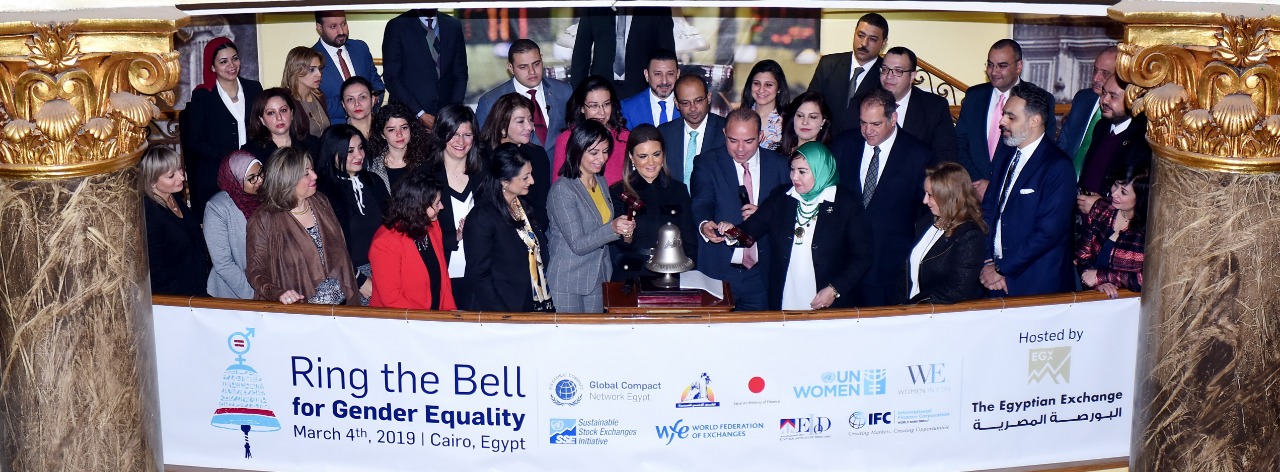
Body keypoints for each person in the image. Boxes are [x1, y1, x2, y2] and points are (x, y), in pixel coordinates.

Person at [712, 142, 873, 310]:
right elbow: (751, 231)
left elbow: (863, 256)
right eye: (792, 169)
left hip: (828, 297)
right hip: (786, 292)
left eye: (802, 171)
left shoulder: (847, 204)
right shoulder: (782, 196)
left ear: (821, 171)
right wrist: (732, 231)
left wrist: (835, 289)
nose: (794, 177)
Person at [834, 89, 936, 306]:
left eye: (875, 124)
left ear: (893, 118)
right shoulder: (844, 144)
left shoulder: (918, 154)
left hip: (889, 267)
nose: (867, 131)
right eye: (863, 123)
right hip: (843, 265)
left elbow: (924, 212)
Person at [979, 82, 1075, 297]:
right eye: (1004, 115)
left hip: (1036, 284)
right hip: (994, 280)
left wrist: (1002, 269)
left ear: (1034, 121)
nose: (1002, 122)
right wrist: (988, 261)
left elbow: (1048, 233)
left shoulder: (1058, 166)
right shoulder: (1005, 153)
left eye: (1011, 117)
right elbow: (987, 211)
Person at [690, 108, 790, 311]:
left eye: (749, 141)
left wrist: (766, 216)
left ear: (760, 136)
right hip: (720, 272)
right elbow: (702, 201)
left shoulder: (781, 166)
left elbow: (791, 214)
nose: (740, 149)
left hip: (763, 274)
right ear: (724, 134)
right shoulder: (707, 163)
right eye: (733, 140)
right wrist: (704, 223)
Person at [246, 146, 359, 305]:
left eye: (312, 169)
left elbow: (342, 255)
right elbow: (256, 270)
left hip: (338, 308)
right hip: (298, 309)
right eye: (306, 173)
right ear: (287, 180)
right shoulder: (264, 219)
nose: (315, 176)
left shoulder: (320, 201)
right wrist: (278, 293)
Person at [545, 121, 637, 313]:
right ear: (578, 150)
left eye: (605, 151)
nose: (601, 158)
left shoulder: (600, 180)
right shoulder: (562, 190)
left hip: (598, 276)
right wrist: (613, 228)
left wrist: (624, 228)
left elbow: (602, 228)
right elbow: (578, 244)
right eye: (594, 152)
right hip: (568, 280)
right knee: (571, 333)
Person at [955, 39, 1057, 198]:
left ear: (1019, 66)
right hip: (973, 191)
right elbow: (960, 142)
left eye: (1002, 66)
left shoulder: (1040, 100)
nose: (994, 72)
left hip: (1014, 193)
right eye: (990, 65)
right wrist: (976, 181)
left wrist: (995, 187)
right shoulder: (974, 96)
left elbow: (1040, 152)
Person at [180, 37, 263, 220]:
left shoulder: (254, 88)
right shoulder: (203, 96)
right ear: (212, 67)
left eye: (235, 58)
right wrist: (231, 158)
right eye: (223, 61)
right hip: (216, 172)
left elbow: (262, 127)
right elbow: (195, 141)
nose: (231, 65)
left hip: (254, 169)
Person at [463, 143, 552, 312]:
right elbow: (480, 275)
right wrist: (503, 316)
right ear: (504, 181)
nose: (532, 181)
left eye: (531, 175)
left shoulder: (523, 207)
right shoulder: (482, 217)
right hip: (501, 309)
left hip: (532, 302)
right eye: (525, 177)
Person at [608, 124, 697, 281]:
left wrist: (689, 276)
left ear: (663, 154)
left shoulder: (679, 190)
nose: (651, 162)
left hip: (672, 273)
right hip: (631, 276)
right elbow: (621, 244)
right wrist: (627, 233)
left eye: (656, 154)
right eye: (643, 156)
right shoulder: (618, 191)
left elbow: (690, 243)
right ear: (631, 157)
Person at [316, 124, 390, 306]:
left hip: (384, 267)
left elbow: (392, 226)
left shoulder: (374, 181)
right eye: (350, 151)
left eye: (360, 148)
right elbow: (325, 247)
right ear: (332, 153)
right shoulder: (322, 192)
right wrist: (358, 279)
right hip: (347, 275)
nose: (359, 155)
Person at [368, 171, 457, 310]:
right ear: (418, 207)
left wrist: (449, 314)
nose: (441, 207)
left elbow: (443, 280)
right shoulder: (385, 243)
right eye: (437, 203)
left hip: (434, 316)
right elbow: (391, 300)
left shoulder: (432, 226)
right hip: (403, 320)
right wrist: (425, 320)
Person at [425, 105, 484, 310]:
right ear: (441, 134)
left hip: (482, 275)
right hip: (441, 275)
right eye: (454, 134)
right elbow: (418, 234)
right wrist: (455, 236)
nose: (461, 142)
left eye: (467, 135)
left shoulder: (485, 174)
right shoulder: (424, 177)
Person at [906, 162, 988, 304]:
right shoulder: (926, 221)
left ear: (948, 197)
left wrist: (915, 305)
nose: (925, 201)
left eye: (930, 195)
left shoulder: (969, 236)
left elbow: (958, 290)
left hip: (938, 312)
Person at [476, 39, 575, 155]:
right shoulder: (490, 102)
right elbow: (481, 149)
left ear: (542, 59)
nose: (532, 72)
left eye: (536, 64)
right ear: (511, 68)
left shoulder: (564, 91)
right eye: (523, 67)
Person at [141, 147, 210, 297]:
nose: (182, 177)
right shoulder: (150, 215)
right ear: (152, 182)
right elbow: (155, 272)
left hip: (197, 289)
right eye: (171, 175)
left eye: (179, 169)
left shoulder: (174, 197)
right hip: (178, 298)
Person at [382, 9, 467, 130]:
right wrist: (420, 114)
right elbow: (392, 77)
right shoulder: (397, 25)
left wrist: (452, 112)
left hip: (445, 120)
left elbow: (460, 73)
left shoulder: (453, 25)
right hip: (408, 118)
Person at [808, 13, 888, 135]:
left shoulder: (887, 74)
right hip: (824, 140)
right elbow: (810, 104)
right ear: (854, 32)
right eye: (860, 35)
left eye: (872, 39)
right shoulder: (828, 64)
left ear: (883, 43)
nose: (864, 43)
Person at [1073, 73, 1151, 198]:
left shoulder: (1143, 138)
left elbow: (1138, 197)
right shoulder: (1101, 126)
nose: (1104, 100)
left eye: (1113, 96)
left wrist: (1099, 205)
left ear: (1133, 101)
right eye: (1104, 93)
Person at [570, 6, 676, 97]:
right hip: (600, 91)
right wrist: (579, 94)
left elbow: (667, 53)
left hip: (640, 90)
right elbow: (581, 52)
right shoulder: (595, 5)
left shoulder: (656, 6)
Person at [478, 93, 552, 224]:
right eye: (520, 121)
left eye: (530, 120)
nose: (529, 127)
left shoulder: (537, 154)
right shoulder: (482, 156)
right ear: (502, 126)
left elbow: (541, 205)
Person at [878, 46, 958, 164]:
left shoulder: (934, 107)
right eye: (885, 69)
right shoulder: (866, 102)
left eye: (898, 71)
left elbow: (945, 155)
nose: (889, 76)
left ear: (912, 76)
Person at [1075, 169, 1147, 298]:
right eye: (1115, 185)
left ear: (1141, 197)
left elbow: (1147, 279)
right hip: (1092, 294)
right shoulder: (1102, 209)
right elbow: (1082, 255)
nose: (1114, 193)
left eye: (1123, 192)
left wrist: (1102, 277)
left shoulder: (1150, 230)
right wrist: (1097, 283)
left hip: (1128, 302)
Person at [203, 150, 263, 299]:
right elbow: (223, 263)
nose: (260, 180)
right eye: (252, 178)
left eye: (261, 173)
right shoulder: (217, 208)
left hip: (269, 287)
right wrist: (253, 296)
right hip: (234, 294)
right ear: (235, 180)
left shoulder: (267, 198)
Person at [552, 75, 630, 185]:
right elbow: (559, 186)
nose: (602, 112)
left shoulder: (624, 137)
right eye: (594, 106)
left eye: (606, 104)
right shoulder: (567, 139)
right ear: (582, 108)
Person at [313, 10, 385, 125]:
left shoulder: (360, 48)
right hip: (335, 129)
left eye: (344, 24)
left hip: (369, 126)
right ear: (319, 28)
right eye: (333, 26)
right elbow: (316, 103)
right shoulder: (311, 58)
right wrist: (359, 102)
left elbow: (377, 83)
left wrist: (373, 98)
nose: (341, 31)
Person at [1058, 46, 1118, 171]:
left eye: (1105, 73)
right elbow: (1062, 145)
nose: (1096, 78)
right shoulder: (1082, 99)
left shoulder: (1123, 110)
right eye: (1095, 70)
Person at [659, 74, 725, 184]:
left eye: (698, 101)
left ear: (709, 98)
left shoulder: (725, 131)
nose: (693, 108)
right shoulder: (664, 133)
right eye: (685, 103)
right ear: (676, 103)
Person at [240, 87, 321, 165]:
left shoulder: (312, 144)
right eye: (271, 113)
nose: (279, 118)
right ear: (262, 120)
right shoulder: (250, 153)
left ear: (291, 113)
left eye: (283, 110)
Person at [367, 101, 431, 190]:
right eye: (392, 130)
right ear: (382, 134)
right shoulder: (373, 167)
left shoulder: (426, 161)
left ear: (411, 129)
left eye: (404, 128)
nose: (399, 134)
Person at [620, 49, 680, 129]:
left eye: (670, 74)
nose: (664, 81)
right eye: (657, 74)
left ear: (678, 74)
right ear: (647, 75)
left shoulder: (689, 105)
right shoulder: (628, 108)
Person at [740, 60, 790, 151]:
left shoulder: (789, 120)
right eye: (756, 83)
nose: (761, 90)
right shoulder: (738, 118)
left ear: (779, 88)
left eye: (768, 85)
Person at [281, 46, 329, 137]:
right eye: (311, 70)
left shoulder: (319, 95)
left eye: (319, 69)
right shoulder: (284, 100)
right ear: (295, 70)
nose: (319, 74)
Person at [778, 91, 832, 158]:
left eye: (812, 117)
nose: (805, 122)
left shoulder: (829, 157)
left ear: (823, 122)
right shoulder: (777, 155)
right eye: (800, 115)